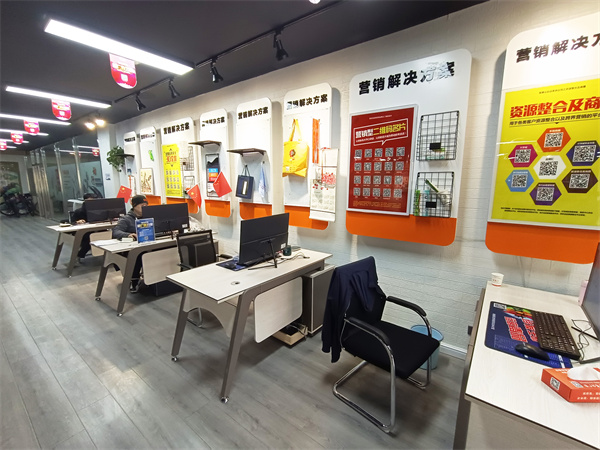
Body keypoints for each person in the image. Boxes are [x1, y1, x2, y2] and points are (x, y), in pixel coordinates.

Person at [112, 195, 148, 292]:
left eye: (146, 205)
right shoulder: (126, 219)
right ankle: (134, 281)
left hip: (147, 244)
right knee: (139, 254)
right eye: (142, 205)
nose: (144, 207)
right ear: (134, 206)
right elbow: (116, 232)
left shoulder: (148, 217)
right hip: (132, 248)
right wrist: (128, 235)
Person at [70, 193, 96, 260]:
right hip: (83, 231)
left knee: (107, 234)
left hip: (95, 228)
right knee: (90, 238)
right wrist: (77, 222)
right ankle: (79, 255)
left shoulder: (97, 210)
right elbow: (72, 222)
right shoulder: (79, 211)